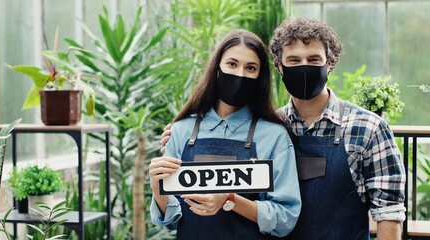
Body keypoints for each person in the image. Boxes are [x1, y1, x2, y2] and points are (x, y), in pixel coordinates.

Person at [161, 18, 407, 240]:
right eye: (294, 60)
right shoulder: (273, 126)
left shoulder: (368, 128)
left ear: (330, 63)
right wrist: (180, 138)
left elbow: (389, 213)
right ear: (279, 66)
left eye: (313, 60)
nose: (304, 67)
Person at [149, 29, 301, 239]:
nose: (240, 74)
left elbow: (285, 218)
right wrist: (158, 189)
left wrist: (230, 199)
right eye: (232, 64)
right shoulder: (181, 130)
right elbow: (172, 220)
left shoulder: (274, 136)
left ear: (260, 77)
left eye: (250, 68)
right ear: (217, 68)